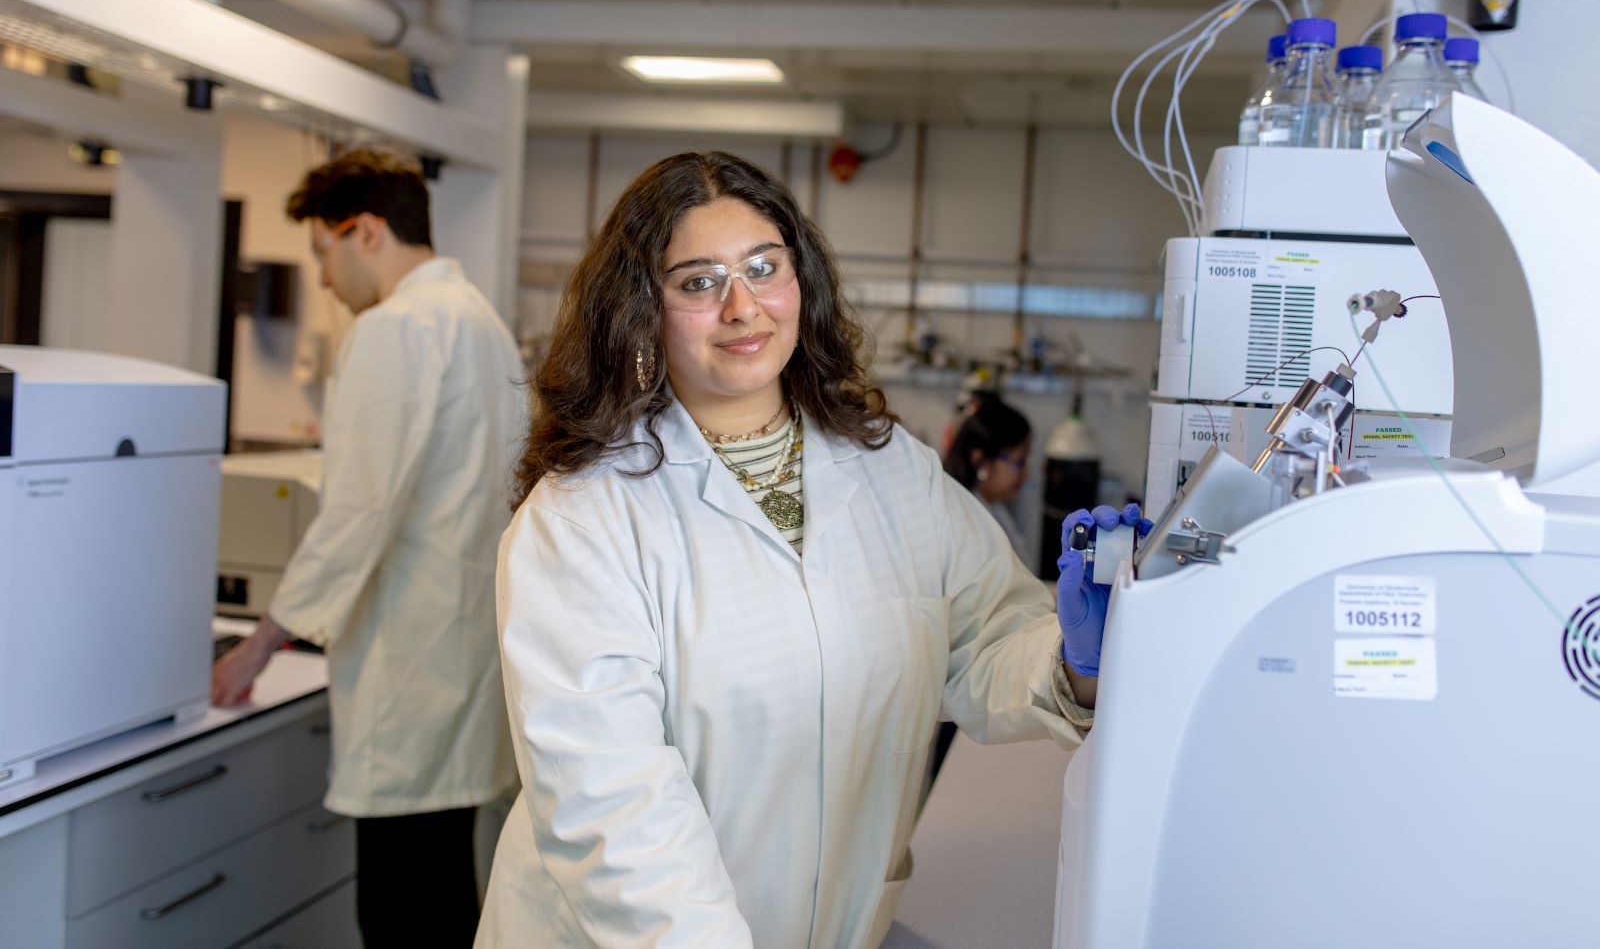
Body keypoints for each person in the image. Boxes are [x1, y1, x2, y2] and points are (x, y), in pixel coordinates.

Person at [475, 150, 1140, 949]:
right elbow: (615, 810)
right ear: (641, 310)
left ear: (802, 281)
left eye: (763, 267)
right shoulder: (584, 518)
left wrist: (1076, 659)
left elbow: (984, 638)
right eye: (698, 281)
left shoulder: (889, 471)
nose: (742, 306)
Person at [210, 148, 525, 948]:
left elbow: (359, 509)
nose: (322, 278)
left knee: (397, 911)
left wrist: (259, 643)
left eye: (324, 251)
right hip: (463, 658)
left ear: (367, 231)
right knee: (445, 892)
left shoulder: (396, 327)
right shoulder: (481, 321)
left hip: (408, 666)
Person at [943, 395, 1033, 560]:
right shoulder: (965, 524)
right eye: (1020, 461)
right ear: (980, 460)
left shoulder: (992, 506)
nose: (1027, 473)